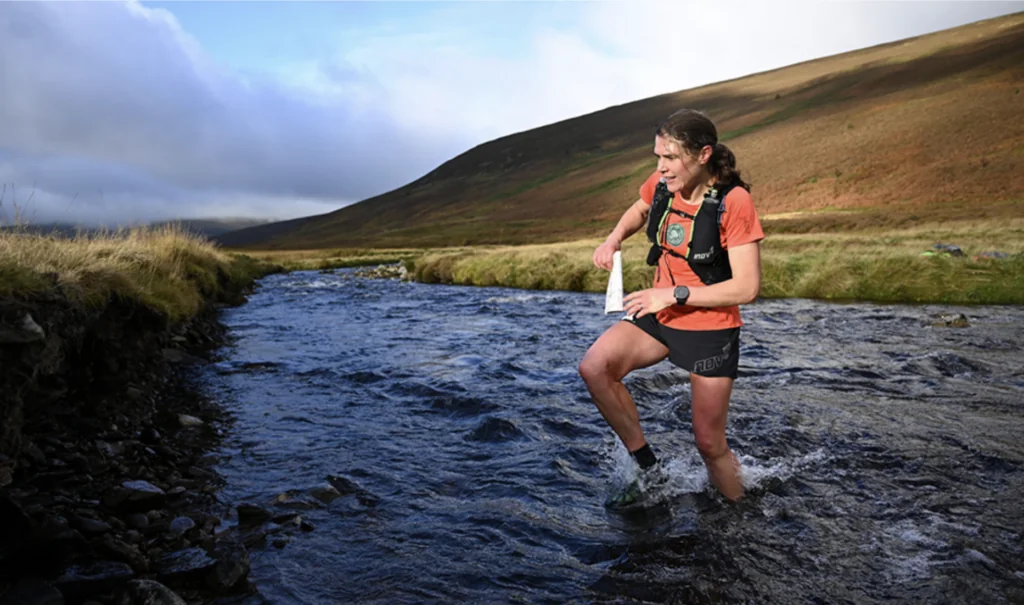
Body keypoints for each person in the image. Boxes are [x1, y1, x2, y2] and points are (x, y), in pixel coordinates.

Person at [579, 108, 764, 506]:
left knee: (709, 444)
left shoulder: (735, 202)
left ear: (702, 155)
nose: (661, 167)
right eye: (658, 157)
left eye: (670, 157)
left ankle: (739, 517)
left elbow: (747, 287)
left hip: (710, 326)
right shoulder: (663, 183)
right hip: (659, 313)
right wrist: (613, 240)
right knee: (595, 368)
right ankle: (647, 465)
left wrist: (673, 294)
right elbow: (640, 208)